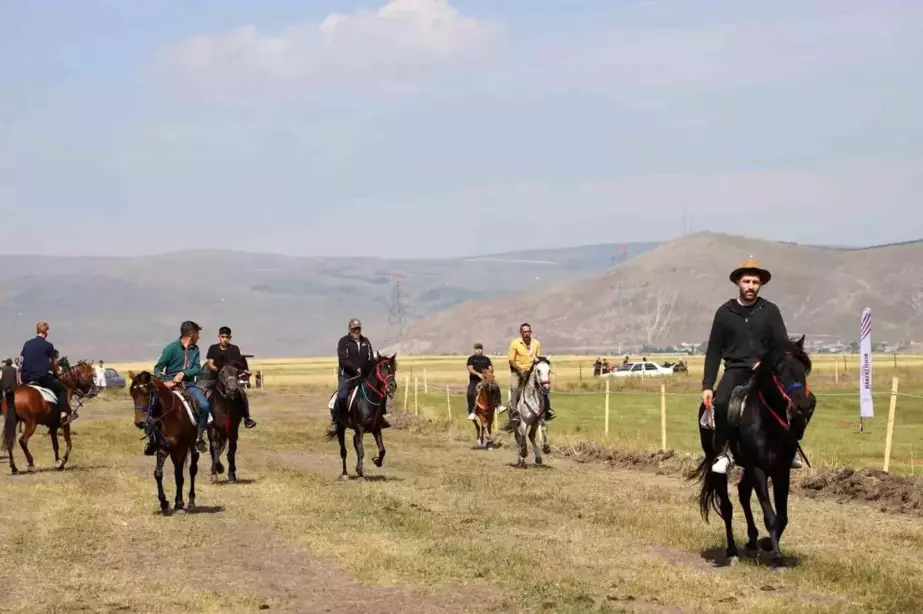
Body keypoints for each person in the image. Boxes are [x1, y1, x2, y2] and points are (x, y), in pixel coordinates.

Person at [701, 257, 801, 474]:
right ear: (738, 282)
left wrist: (767, 365)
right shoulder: (724, 313)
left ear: (760, 285)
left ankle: (790, 451)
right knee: (722, 404)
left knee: (794, 402)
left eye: (755, 282)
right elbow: (714, 351)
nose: (751, 286)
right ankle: (724, 453)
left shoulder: (770, 311)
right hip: (735, 371)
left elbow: (781, 345)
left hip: (765, 373)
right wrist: (707, 384)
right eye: (747, 281)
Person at [148, 320, 209, 454]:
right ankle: (152, 440)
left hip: (189, 385)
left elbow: (197, 368)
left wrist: (183, 373)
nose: (199, 337)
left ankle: (199, 438)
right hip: (170, 384)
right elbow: (158, 368)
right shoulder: (171, 348)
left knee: (204, 405)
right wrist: (165, 381)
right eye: (197, 333)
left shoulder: (195, 350)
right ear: (192, 334)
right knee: (152, 404)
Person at [329, 318, 379, 435]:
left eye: (358, 328)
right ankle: (336, 421)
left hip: (363, 377)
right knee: (341, 397)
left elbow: (370, 359)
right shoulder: (343, 342)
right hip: (347, 376)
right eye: (354, 329)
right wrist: (356, 369)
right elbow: (343, 360)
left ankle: (379, 419)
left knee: (378, 394)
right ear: (349, 329)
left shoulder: (365, 341)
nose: (356, 331)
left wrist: (368, 371)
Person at [18, 321, 72, 427]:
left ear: (37, 331)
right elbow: (53, 363)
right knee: (62, 389)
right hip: (41, 377)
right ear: (46, 332)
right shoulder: (48, 345)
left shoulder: (27, 343)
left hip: (25, 378)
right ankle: (63, 414)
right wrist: (57, 372)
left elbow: (22, 361)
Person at [202, 326, 256, 428]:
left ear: (230, 337)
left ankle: (247, 418)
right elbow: (210, 364)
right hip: (215, 377)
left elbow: (238, 365)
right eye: (223, 336)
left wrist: (244, 371)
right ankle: (202, 420)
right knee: (203, 392)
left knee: (242, 393)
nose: (225, 339)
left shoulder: (234, 349)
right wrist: (219, 371)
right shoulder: (213, 348)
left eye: (227, 337)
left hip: (231, 378)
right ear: (219, 337)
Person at [505, 322, 555, 428]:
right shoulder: (515, 343)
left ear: (531, 332)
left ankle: (546, 410)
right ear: (521, 333)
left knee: (544, 387)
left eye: (528, 332)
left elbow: (537, 358)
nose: (526, 334)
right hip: (517, 372)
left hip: (532, 372)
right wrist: (520, 369)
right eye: (524, 332)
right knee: (514, 387)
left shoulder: (536, 343)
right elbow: (511, 360)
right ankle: (514, 413)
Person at [466, 342, 493, 420]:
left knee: (495, 388)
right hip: (474, 380)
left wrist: (487, 373)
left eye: (480, 349)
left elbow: (491, 368)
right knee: (470, 393)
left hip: (485, 379)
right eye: (477, 349)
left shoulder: (486, 359)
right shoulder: (471, 359)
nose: (479, 350)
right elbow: (470, 369)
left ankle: (498, 405)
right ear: (474, 350)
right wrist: (478, 374)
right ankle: (472, 412)